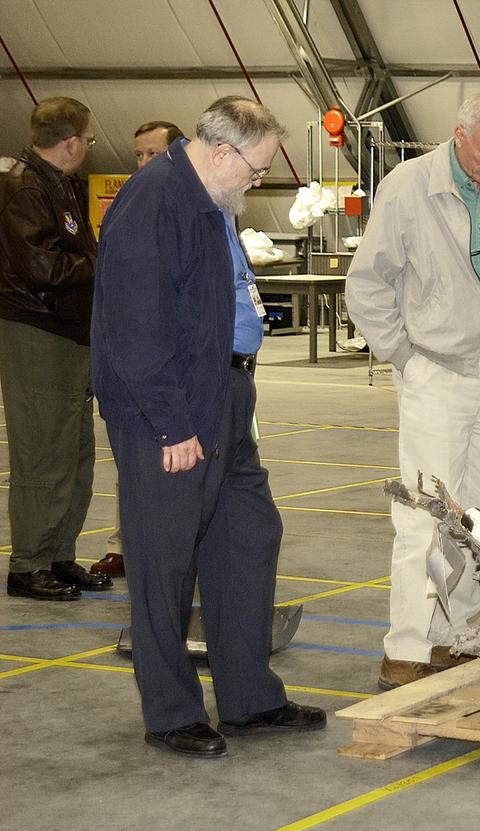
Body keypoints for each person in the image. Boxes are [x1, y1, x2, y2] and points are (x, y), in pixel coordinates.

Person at [93, 96, 325, 757]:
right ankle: (171, 711)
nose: (257, 182)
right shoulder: (154, 198)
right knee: (164, 559)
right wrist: (172, 425)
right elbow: (136, 328)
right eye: (254, 169)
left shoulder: (210, 198)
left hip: (226, 394)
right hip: (168, 409)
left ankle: (249, 698)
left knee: (249, 534)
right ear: (222, 152)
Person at [346, 92, 480, 692]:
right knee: (424, 517)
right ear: (458, 135)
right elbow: (368, 283)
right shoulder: (407, 187)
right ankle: (406, 648)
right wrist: (404, 356)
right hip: (435, 373)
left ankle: (456, 640)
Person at [0, 97, 110, 602]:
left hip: (66, 331)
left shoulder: (55, 185)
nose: (88, 147)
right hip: (38, 331)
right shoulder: (25, 188)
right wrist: (101, 264)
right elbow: (41, 269)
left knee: (74, 451)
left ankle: (58, 554)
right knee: (43, 451)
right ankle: (28, 564)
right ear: (69, 142)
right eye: (87, 140)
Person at [92, 119, 189, 581]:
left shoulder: (191, 201)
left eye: (153, 154)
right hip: (139, 375)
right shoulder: (135, 202)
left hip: (185, 371)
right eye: (138, 155)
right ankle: (125, 544)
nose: (143, 164)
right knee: (134, 468)